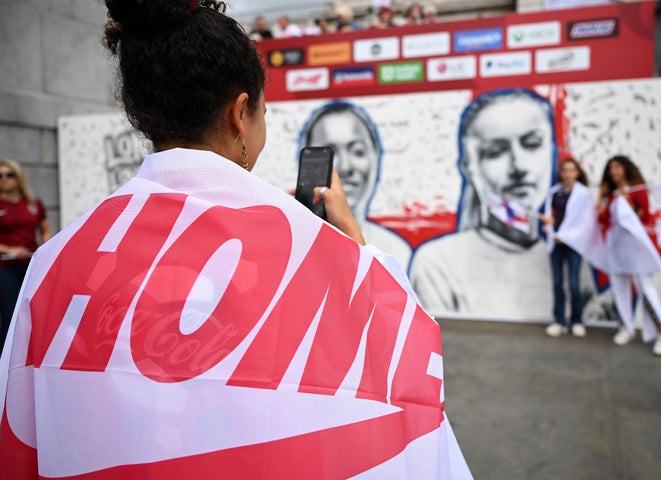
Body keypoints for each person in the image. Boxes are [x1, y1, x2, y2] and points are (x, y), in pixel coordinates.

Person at [0, 1, 470, 478]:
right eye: (265, 110)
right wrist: (358, 254)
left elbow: (17, 433)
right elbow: (412, 402)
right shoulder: (337, 263)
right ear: (241, 113)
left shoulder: (54, 261)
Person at [410, 88, 561, 317]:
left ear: (552, 152)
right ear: (469, 168)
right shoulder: (438, 263)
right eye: (495, 152)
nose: (518, 166)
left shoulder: (569, 262)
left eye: (532, 144)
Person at [300, 102, 411, 269]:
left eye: (358, 151)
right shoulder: (291, 245)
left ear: (376, 158)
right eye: (330, 152)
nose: (345, 167)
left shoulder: (397, 252)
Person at [596, 155, 661, 356]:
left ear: (626, 168)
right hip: (616, 247)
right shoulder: (612, 194)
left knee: (645, 289)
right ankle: (626, 327)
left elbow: (644, 215)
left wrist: (627, 200)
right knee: (619, 287)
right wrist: (602, 195)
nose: (614, 172)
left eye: (617, 167)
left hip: (634, 246)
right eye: (611, 168)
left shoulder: (637, 188)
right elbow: (603, 218)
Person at [0, 159, 51, 354]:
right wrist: (9, 250)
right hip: (5, 267)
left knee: (34, 313)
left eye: (9, 174)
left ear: (18, 176)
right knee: (11, 315)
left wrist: (45, 248)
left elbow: (44, 229)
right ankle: (5, 364)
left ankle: (31, 357)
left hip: (32, 265)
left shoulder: (33, 203)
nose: (4, 179)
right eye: (0, 176)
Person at [541, 157, 594, 338]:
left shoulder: (583, 194)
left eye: (572, 170)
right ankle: (559, 320)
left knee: (573, 283)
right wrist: (550, 228)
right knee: (557, 283)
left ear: (577, 173)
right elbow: (551, 216)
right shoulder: (554, 192)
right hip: (556, 243)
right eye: (565, 170)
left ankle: (577, 320)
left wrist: (567, 237)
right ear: (561, 173)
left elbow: (585, 222)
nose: (568, 174)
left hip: (573, 245)